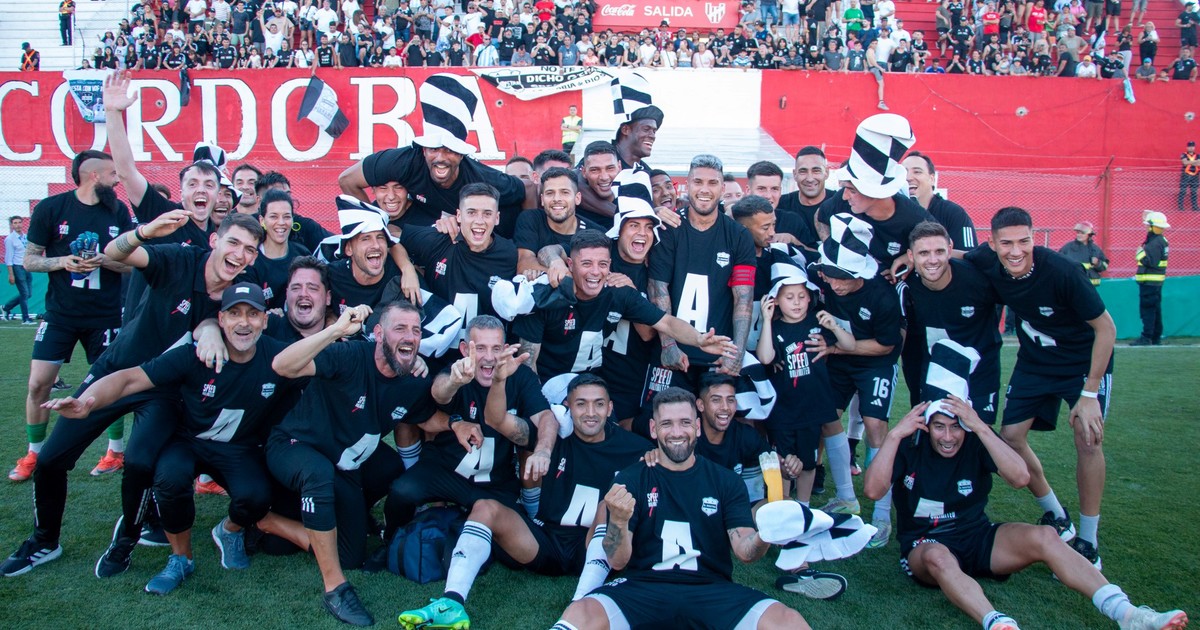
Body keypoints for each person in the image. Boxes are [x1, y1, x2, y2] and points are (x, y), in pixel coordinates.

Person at [0, 209, 263, 579]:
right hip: (117, 371)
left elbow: (225, 318)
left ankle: (125, 541)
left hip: (164, 391)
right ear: (214, 240)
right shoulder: (179, 259)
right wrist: (145, 232)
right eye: (234, 242)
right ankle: (44, 540)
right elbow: (116, 253)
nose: (240, 254)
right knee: (52, 458)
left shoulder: (241, 286)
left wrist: (209, 327)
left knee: (140, 463)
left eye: (250, 249)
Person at [43, 283, 295, 595]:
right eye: (234, 313)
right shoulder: (194, 355)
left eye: (253, 314)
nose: (244, 322)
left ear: (265, 321)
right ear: (221, 319)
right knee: (170, 478)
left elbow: (319, 366)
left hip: (236, 447)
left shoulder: (279, 357)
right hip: (188, 441)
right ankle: (181, 558)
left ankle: (229, 531)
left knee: (256, 497)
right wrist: (87, 401)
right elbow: (130, 378)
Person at [865, 398, 1188, 630]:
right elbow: (873, 491)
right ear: (926, 426)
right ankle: (997, 623)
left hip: (976, 535)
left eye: (955, 427)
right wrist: (893, 435)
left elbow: (1020, 477)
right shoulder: (910, 445)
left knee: (1046, 535)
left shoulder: (976, 440)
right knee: (939, 558)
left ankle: (1127, 614)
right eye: (939, 427)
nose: (948, 437)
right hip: (926, 543)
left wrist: (981, 428)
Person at [398, 374, 651, 630]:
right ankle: (451, 602)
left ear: (610, 407)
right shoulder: (551, 436)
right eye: (581, 404)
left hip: (593, 548)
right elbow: (496, 420)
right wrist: (499, 380)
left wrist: (656, 458)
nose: (591, 412)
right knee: (485, 506)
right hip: (546, 540)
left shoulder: (636, 449)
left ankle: (581, 603)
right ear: (567, 406)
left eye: (599, 404)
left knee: (609, 504)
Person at [551, 387, 811, 630]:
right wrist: (618, 521)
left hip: (711, 589)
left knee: (788, 620)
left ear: (697, 427)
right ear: (653, 429)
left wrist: (764, 535)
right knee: (581, 612)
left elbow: (745, 551)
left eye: (685, 423)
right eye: (667, 424)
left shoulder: (726, 481)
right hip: (644, 588)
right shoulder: (631, 479)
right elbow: (617, 560)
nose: (677, 432)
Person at [266, 301, 442, 626]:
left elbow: (427, 418)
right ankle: (335, 588)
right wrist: (334, 330)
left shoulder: (411, 379)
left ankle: (273, 521)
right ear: (379, 333)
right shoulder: (349, 354)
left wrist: (459, 424)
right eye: (400, 328)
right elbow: (282, 365)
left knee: (351, 552)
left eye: (416, 330)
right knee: (318, 474)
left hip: (342, 463)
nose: (410, 336)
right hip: (295, 446)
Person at [962, 207, 1116, 569]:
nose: (1016, 251)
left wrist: (1090, 393)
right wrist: (915, 256)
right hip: (1035, 363)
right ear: (992, 244)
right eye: (1006, 243)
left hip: (1081, 363)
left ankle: (1088, 540)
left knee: (1088, 438)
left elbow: (1106, 328)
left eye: (1024, 241)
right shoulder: (987, 259)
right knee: (1010, 437)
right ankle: (1056, 514)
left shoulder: (1063, 271)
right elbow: (955, 255)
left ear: (1034, 238)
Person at [8, 151, 134, 484]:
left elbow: (131, 264)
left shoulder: (119, 212)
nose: (117, 180)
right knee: (38, 384)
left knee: (111, 384)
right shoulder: (51, 208)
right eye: (112, 174)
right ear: (93, 176)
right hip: (60, 314)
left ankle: (115, 452)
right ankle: (34, 453)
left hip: (105, 315)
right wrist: (62, 262)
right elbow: (30, 260)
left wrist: (104, 260)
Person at [649, 154, 755, 382]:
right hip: (675, 355)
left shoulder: (738, 235)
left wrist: (736, 352)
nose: (704, 189)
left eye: (712, 183)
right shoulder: (669, 229)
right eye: (698, 182)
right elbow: (658, 290)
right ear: (687, 185)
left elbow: (743, 299)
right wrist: (668, 345)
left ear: (722, 188)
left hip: (719, 357)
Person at [904, 221, 1003, 424]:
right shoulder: (905, 285)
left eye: (939, 251)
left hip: (979, 373)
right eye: (924, 253)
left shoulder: (978, 280)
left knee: (979, 435)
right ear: (911, 256)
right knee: (933, 434)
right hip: (935, 373)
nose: (933, 260)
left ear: (950, 250)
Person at [513, 167, 594, 279]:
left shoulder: (593, 232)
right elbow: (524, 264)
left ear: (577, 198)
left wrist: (541, 272)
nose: (556, 199)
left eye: (565, 192)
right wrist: (565, 275)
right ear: (542, 199)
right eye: (550, 193)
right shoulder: (531, 218)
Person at [903, 151, 977, 250]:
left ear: (932, 179)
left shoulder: (954, 213)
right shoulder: (891, 212)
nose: (908, 178)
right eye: (903, 172)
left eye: (917, 172)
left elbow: (969, 255)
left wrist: (919, 254)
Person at [1131, 211, 1169, 346]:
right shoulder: (1161, 241)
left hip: (1149, 282)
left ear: (1153, 227)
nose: (1146, 227)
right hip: (1155, 282)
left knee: (1148, 310)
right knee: (1155, 309)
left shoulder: (1154, 243)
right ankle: (1155, 336)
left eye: (1148, 225)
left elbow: (1150, 262)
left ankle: (1147, 337)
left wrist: (1140, 254)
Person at [1058, 221, 1109, 287]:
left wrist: (1097, 263)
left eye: (1082, 233)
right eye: (1078, 233)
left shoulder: (1095, 249)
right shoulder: (1068, 247)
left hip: (1091, 286)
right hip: (1073, 284)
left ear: (1089, 235)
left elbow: (1104, 266)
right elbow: (1058, 263)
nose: (1079, 235)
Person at [3, 215, 33, 325]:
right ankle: (26, 319)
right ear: (11, 225)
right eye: (15, 223)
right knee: (24, 293)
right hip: (17, 267)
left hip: (26, 266)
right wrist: (11, 274)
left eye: (19, 222)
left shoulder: (25, 237)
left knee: (28, 294)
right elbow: (8, 258)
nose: (18, 225)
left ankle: (6, 308)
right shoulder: (10, 239)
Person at [1179, 140, 1199, 212]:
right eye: (1189, 146)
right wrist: (1195, 162)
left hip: (1195, 175)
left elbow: (1199, 164)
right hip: (1185, 175)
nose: (1191, 148)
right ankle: (1181, 206)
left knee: (1194, 192)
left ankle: (1195, 207)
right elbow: (1184, 162)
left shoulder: (1198, 155)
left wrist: (1189, 162)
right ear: (1187, 147)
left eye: (1192, 146)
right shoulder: (1183, 154)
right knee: (1183, 191)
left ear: (1194, 147)